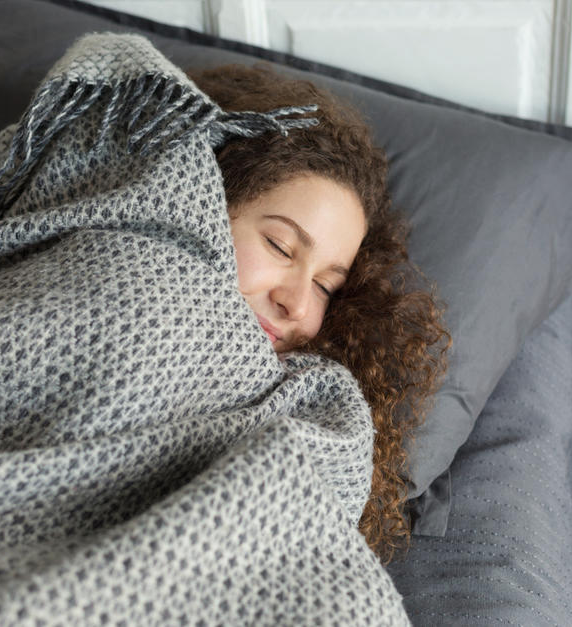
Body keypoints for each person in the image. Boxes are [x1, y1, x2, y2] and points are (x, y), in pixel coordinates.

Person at [188, 64, 451, 563]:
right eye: (280, 246)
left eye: (326, 286)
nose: (297, 304)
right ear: (200, 202)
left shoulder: (313, 411)